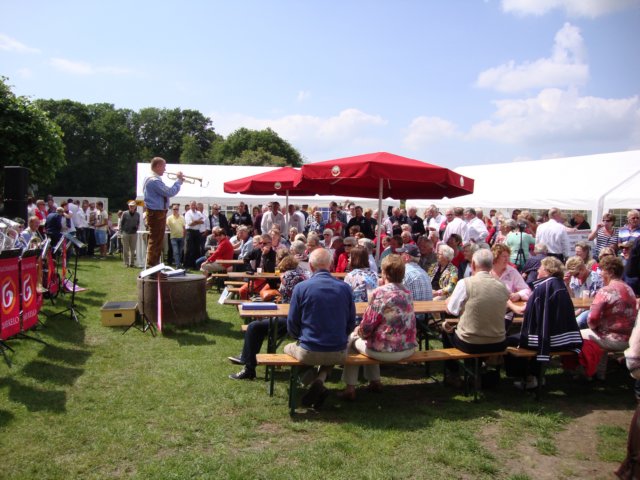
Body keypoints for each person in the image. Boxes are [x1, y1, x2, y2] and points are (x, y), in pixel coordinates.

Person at [284, 248, 356, 409]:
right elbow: (351, 322)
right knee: (330, 350)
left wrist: (298, 337)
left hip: (308, 350)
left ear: (310, 266)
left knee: (286, 348)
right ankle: (320, 379)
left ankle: (307, 381)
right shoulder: (345, 288)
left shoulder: (301, 288)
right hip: (338, 351)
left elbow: (292, 323)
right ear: (330, 265)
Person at [339, 254, 417, 400]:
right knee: (371, 340)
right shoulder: (407, 292)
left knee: (353, 340)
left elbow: (367, 328)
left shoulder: (380, 293)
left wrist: (357, 331)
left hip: (387, 350)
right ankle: (375, 381)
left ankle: (350, 388)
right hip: (407, 348)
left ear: (385, 272)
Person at [229, 254, 309, 380]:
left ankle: (248, 366)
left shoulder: (288, 276)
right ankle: (247, 359)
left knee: (254, 326)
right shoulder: (305, 274)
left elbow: (286, 299)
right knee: (260, 325)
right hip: (304, 320)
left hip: (293, 320)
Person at [508, 257, 583, 390]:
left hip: (549, 339)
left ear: (548, 270)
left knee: (510, 342)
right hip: (566, 337)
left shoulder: (543, 287)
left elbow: (526, 311)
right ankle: (536, 375)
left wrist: (508, 302)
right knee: (528, 337)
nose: (537, 270)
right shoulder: (560, 285)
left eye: (541, 267)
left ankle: (529, 378)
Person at [441, 249, 510, 387]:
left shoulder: (465, 283)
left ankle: (453, 374)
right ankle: (477, 370)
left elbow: (452, 311)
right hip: (498, 341)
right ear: (491, 265)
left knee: (446, 330)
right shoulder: (502, 286)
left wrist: (448, 302)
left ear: (472, 264)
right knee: (473, 330)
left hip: (471, 343)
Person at [582, 256, 638, 380]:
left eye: (602, 270)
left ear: (610, 272)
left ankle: (588, 373)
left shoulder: (605, 291)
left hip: (612, 339)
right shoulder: (629, 289)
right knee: (598, 336)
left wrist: (594, 327)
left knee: (579, 334)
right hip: (630, 338)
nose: (600, 273)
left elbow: (592, 320)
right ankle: (600, 373)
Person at [142, 157, 183, 268]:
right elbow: (169, 192)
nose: (165, 169)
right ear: (158, 166)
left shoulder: (151, 178)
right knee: (155, 242)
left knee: (157, 241)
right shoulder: (153, 180)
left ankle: (154, 266)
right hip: (156, 213)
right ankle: (152, 267)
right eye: (164, 166)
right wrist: (178, 182)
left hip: (157, 213)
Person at [184, 200, 205, 269]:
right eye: (192, 205)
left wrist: (195, 221)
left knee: (197, 248)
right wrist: (197, 221)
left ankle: (196, 265)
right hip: (190, 232)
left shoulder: (198, 212)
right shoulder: (188, 213)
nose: (193, 206)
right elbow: (190, 223)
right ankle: (187, 265)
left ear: (195, 205)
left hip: (197, 232)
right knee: (190, 249)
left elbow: (202, 221)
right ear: (190, 206)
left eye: (194, 205)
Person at [119, 201, 140, 267]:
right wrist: (121, 232)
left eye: (132, 206)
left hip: (134, 233)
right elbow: (121, 223)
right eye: (130, 206)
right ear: (128, 206)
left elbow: (138, 223)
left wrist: (136, 227)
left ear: (135, 207)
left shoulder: (138, 214)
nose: (131, 207)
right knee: (125, 249)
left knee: (133, 249)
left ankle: (132, 263)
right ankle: (126, 263)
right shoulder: (125, 213)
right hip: (126, 233)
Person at [166, 204, 186, 269]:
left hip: (181, 237)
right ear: (172, 210)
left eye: (176, 209)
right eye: (174, 209)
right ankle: (178, 266)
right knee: (176, 252)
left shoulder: (182, 217)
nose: (175, 210)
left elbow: (184, 227)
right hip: (173, 237)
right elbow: (166, 225)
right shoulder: (169, 218)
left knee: (180, 252)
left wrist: (184, 236)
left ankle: (178, 264)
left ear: (178, 210)